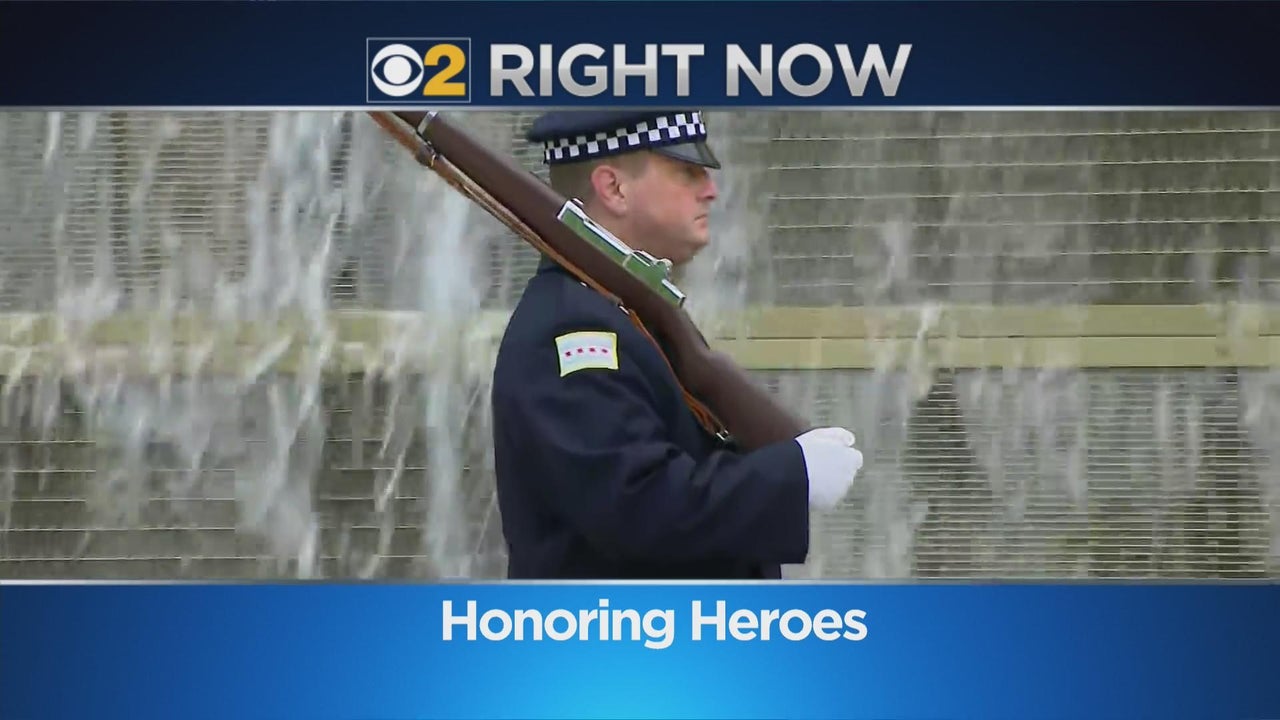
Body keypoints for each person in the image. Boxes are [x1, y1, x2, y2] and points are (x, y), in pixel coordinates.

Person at [490, 110, 864, 579]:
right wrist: (789, 473)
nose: (711, 190)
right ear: (614, 189)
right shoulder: (572, 329)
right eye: (687, 172)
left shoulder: (626, 310)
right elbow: (636, 506)